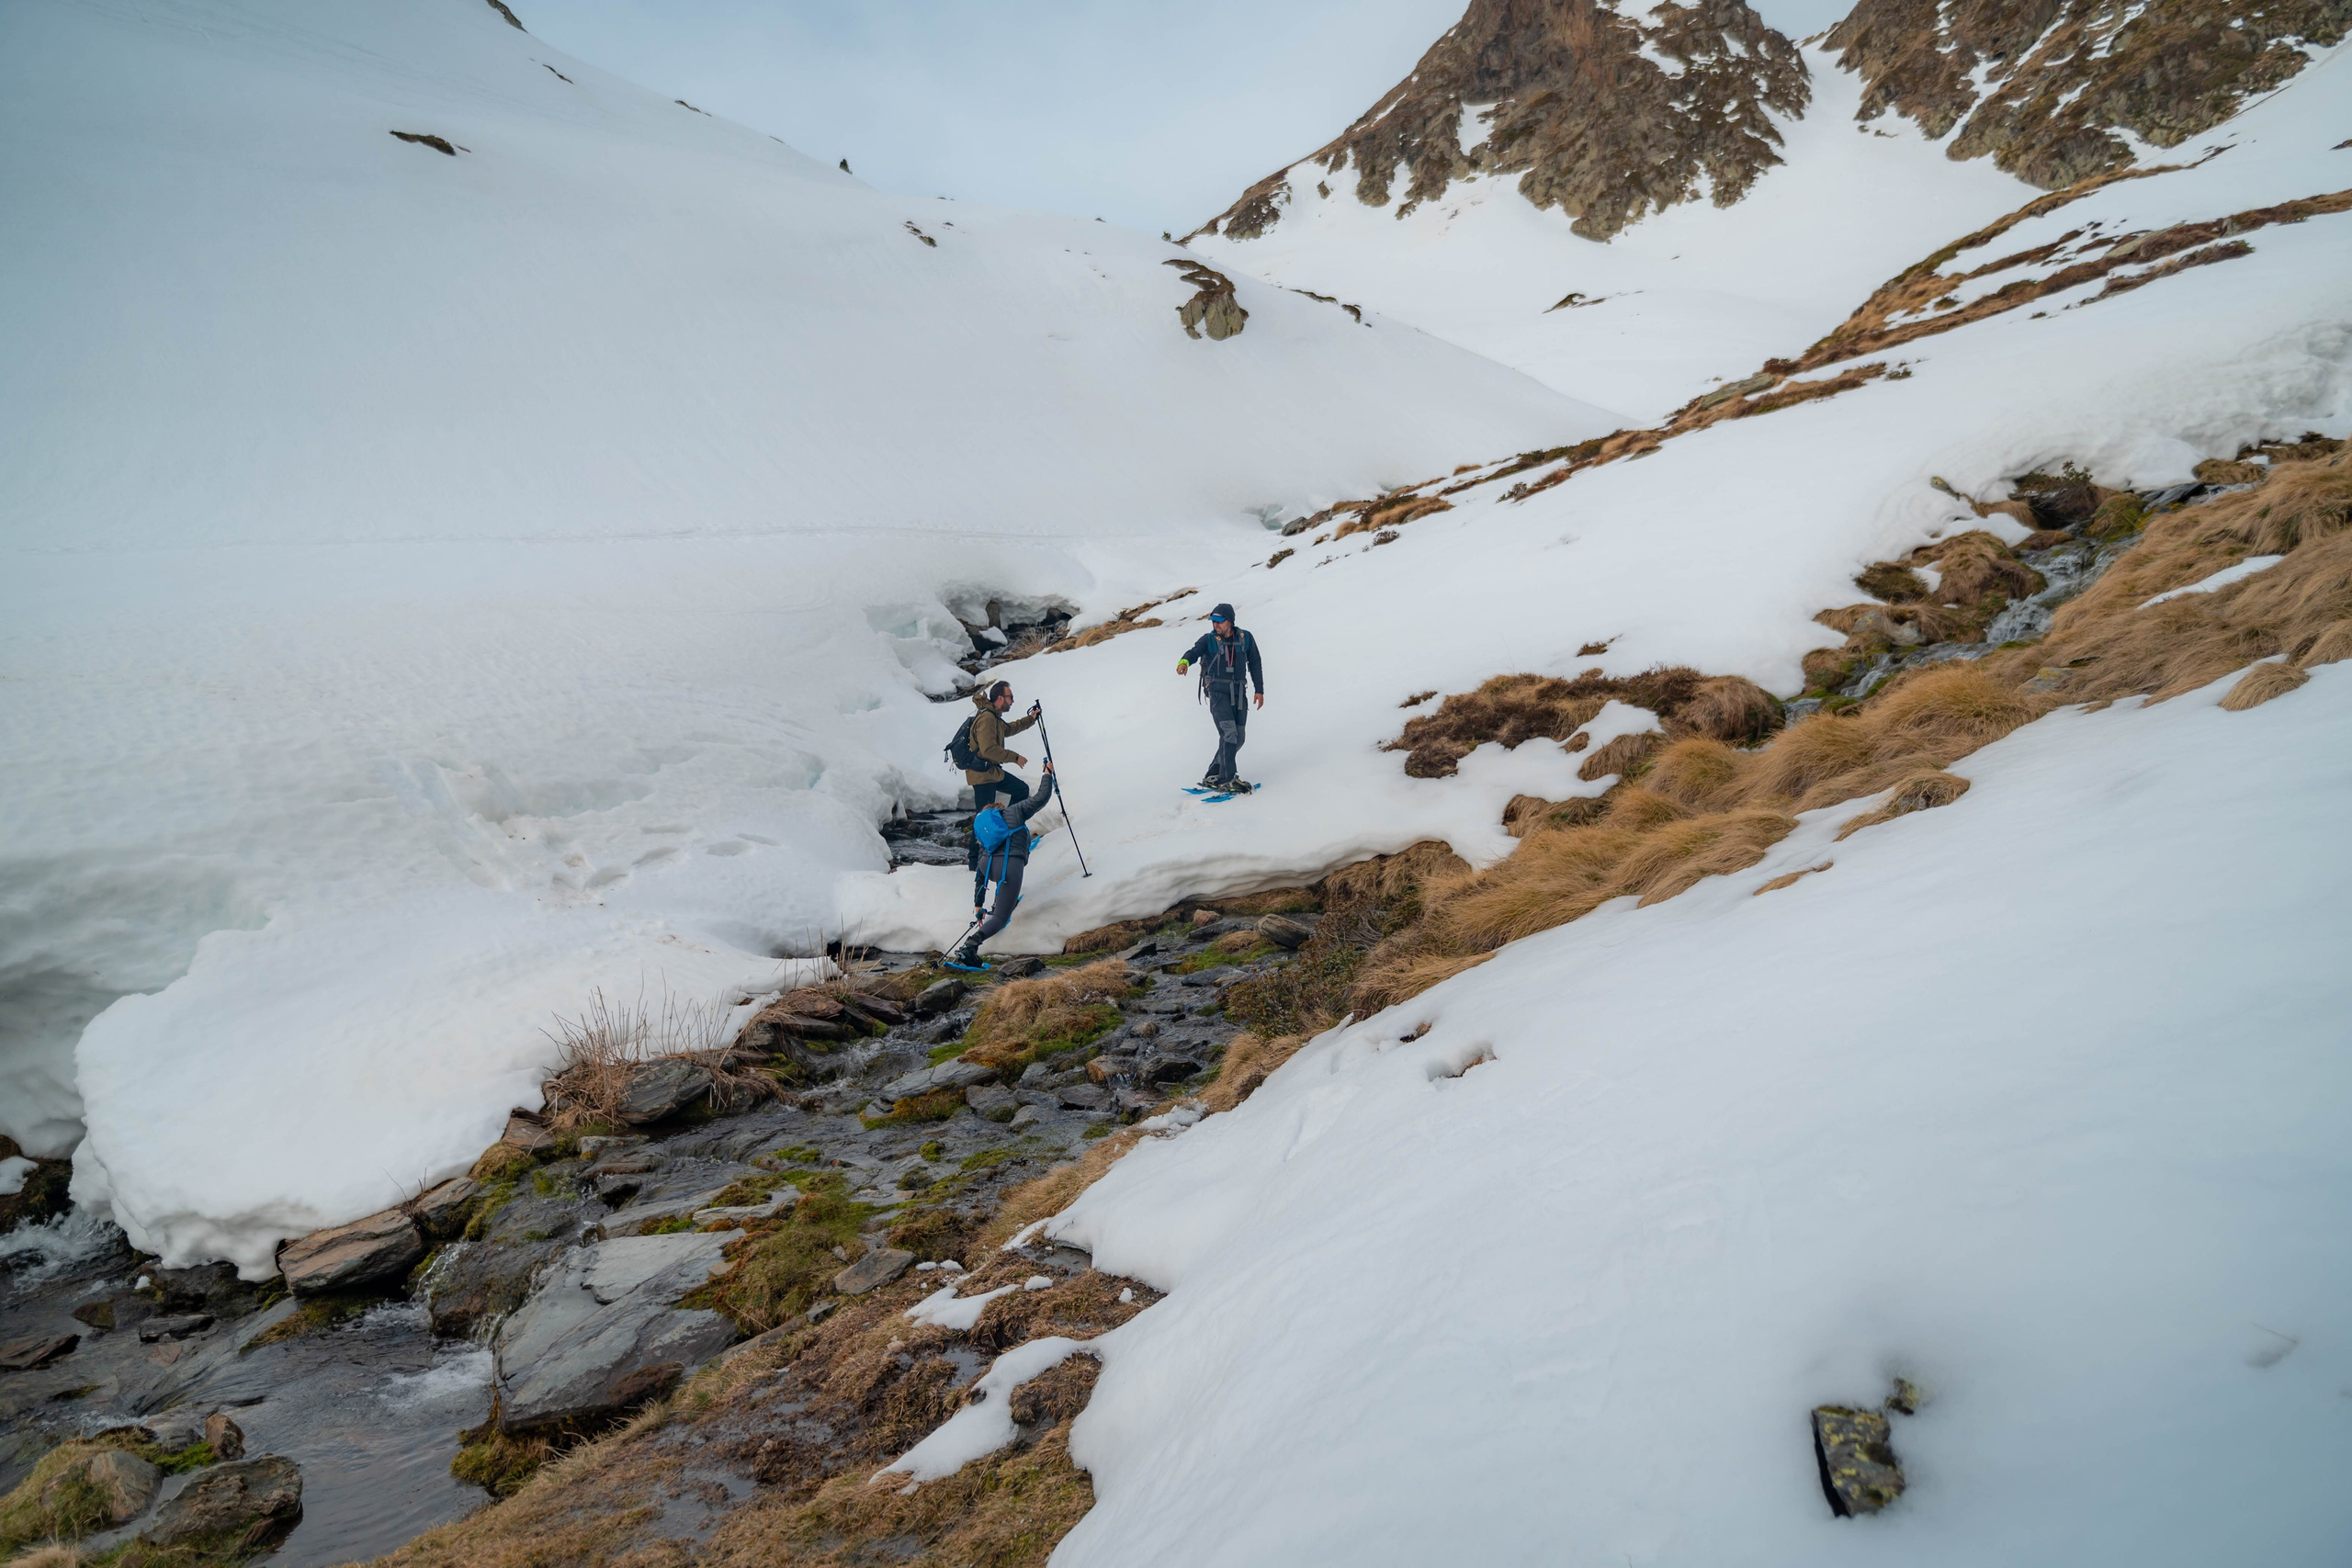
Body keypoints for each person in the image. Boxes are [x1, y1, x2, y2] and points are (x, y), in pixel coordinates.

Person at [948, 761, 1057, 970]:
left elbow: (981, 875)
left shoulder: (983, 827)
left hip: (988, 865)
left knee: (1002, 887)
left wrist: (978, 904)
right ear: (1001, 808)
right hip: (1009, 866)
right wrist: (1047, 774)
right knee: (1000, 918)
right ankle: (971, 946)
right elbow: (1041, 798)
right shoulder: (1014, 811)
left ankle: (1000, 903)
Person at [1175, 603, 1263, 792]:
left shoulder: (1245, 638)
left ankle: (1213, 775)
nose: (1215, 625)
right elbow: (1194, 652)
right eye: (1213, 621)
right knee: (1229, 733)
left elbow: (1255, 662)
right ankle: (1228, 779)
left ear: (1230, 621)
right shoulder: (1209, 640)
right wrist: (1184, 662)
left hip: (1239, 693)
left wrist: (1259, 690)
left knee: (1238, 738)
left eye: (1219, 621)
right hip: (1217, 692)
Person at [963, 680, 1040, 808]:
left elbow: (1008, 729)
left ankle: (1008, 822)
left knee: (1021, 790)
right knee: (985, 818)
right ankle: (1004, 824)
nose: (1013, 701)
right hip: (982, 774)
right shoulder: (987, 718)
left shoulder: (993, 716)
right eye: (1011, 697)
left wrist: (1031, 719)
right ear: (1000, 698)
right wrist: (1015, 758)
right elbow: (988, 750)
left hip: (991, 772)